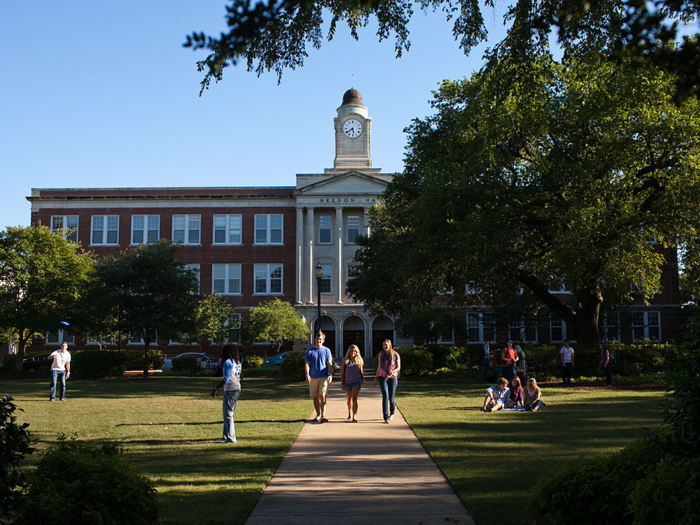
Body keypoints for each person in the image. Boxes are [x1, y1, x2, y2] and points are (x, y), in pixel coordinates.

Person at [210, 344, 242, 443]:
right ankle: (225, 435)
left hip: (230, 390)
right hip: (236, 388)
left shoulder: (228, 362)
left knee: (229, 414)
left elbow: (226, 379)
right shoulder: (237, 362)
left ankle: (231, 437)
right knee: (226, 414)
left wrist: (216, 388)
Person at [305, 331, 333, 423]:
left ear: (323, 340)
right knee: (315, 397)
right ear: (315, 339)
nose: (318, 340)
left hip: (323, 376)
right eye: (317, 338)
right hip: (313, 377)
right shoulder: (310, 351)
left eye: (320, 339)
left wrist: (330, 374)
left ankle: (323, 416)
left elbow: (329, 363)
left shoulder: (326, 350)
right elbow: (307, 364)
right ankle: (318, 415)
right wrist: (307, 374)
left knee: (323, 396)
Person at [373, 339, 401, 423]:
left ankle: (392, 413)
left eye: (386, 345)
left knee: (391, 398)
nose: (385, 346)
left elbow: (398, 367)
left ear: (390, 345)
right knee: (385, 396)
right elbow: (379, 367)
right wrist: (376, 378)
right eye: (384, 345)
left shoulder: (395, 355)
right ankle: (385, 417)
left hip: (392, 377)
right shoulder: (381, 355)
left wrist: (392, 371)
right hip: (382, 377)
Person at [341, 344, 365, 423]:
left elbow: (361, 372)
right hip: (347, 382)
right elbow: (343, 373)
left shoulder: (359, 361)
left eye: (354, 351)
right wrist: (342, 383)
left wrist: (363, 379)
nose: (353, 352)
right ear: (349, 352)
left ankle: (354, 416)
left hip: (356, 381)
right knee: (349, 399)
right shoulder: (345, 361)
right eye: (351, 351)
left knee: (354, 398)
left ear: (357, 352)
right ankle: (349, 413)